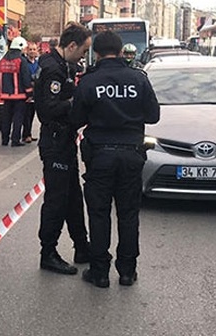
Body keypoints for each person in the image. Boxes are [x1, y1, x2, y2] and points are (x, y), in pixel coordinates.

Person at [71, 31, 160, 288]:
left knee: (99, 214)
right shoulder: (138, 79)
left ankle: (99, 272)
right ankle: (127, 272)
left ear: (96, 53)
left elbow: (76, 119)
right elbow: (153, 115)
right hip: (132, 155)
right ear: (121, 51)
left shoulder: (89, 81)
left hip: (100, 156)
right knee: (128, 214)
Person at [34, 23, 92, 275]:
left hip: (65, 140)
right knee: (57, 200)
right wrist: (77, 100)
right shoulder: (52, 69)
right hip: (55, 141)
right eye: (82, 51)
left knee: (73, 198)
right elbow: (48, 109)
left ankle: (81, 245)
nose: (83, 57)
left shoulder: (64, 66)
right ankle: (48, 252)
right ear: (71, 46)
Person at [0, 36, 33, 147]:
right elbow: (26, 78)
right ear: (20, 46)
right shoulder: (21, 61)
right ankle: (15, 140)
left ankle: (4, 139)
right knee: (18, 118)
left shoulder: (2, 60)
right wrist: (30, 93)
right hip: (19, 96)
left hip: (5, 96)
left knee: (6, 118)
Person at [22, 42, 40, 143]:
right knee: (26, 115)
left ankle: (29, 134)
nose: (32, 51)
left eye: (34, 49)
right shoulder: (24, 63)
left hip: (36, 92)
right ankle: (26, 135)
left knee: (32, 115)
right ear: (27, 51)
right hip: (27, 92)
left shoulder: (38, 63)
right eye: (30, 49)